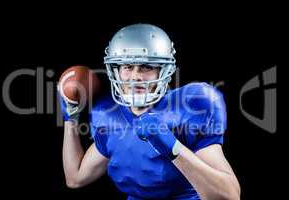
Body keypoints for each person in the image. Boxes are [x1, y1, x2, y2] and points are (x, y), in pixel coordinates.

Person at [59, 24, 241, 200]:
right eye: (127, 67)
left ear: (165, 70)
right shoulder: (109, 117)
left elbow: (229, 195)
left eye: (146, 67)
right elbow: (75, 178)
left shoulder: (189, 107)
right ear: (116, 71)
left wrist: (173, 148)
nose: (136, 76)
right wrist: (70, 118)